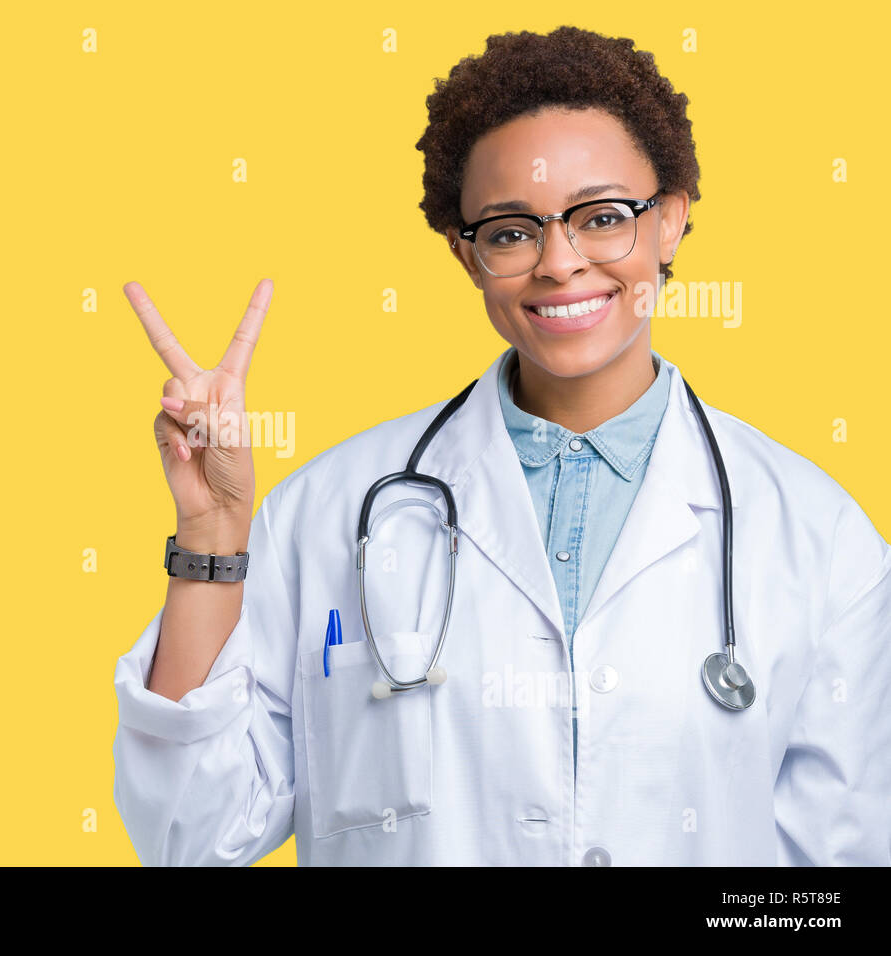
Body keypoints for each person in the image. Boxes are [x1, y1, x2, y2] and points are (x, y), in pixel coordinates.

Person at [111, 26, 891, 866]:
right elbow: (189, 836)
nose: (559, 263)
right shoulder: (328, 512)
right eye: (513, 231)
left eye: (603, 217)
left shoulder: (821, 539)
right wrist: (212, 532)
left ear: (670, 222)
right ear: (466, 254)